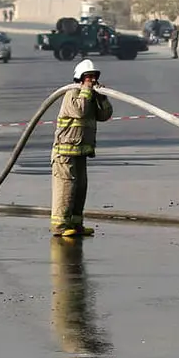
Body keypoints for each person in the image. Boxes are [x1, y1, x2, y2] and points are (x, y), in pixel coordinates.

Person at [50, 59, 113, 237]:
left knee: (80, 188)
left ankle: (76, 224)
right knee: (66, 188)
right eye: (89, 77)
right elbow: (80, 111)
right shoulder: (72, 93)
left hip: (80, 152)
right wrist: (86, 90)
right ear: (80, 78)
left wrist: (102, 98)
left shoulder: (89, 97)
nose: (92, 80)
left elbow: (104, 115)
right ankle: (60, 226)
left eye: (94, 77)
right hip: (64, 154)